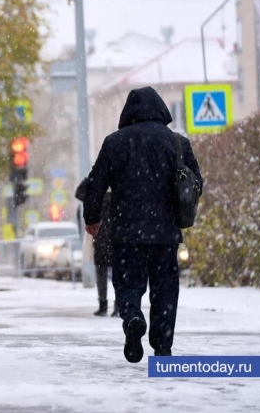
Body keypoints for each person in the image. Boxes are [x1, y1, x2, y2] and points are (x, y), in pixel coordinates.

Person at [82, 86, 203, 363]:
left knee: (127, 283)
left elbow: (95, 183)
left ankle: (133, 316)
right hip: (165, 233)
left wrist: (92, 219)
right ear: (161, 110)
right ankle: (162, 347)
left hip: (127, 232)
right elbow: (196, 183)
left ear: (128, 112)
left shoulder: (115, 142)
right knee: (165, 290)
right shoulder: (177, 143)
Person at [75, 179, 115, 317]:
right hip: (115, 236)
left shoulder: (97, 192)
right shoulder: (119, 185)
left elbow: (79, 193)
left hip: (102, 236)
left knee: (103, 273)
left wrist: (92, 179)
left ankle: (103, 305)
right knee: (117, 273)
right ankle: (118, 306)